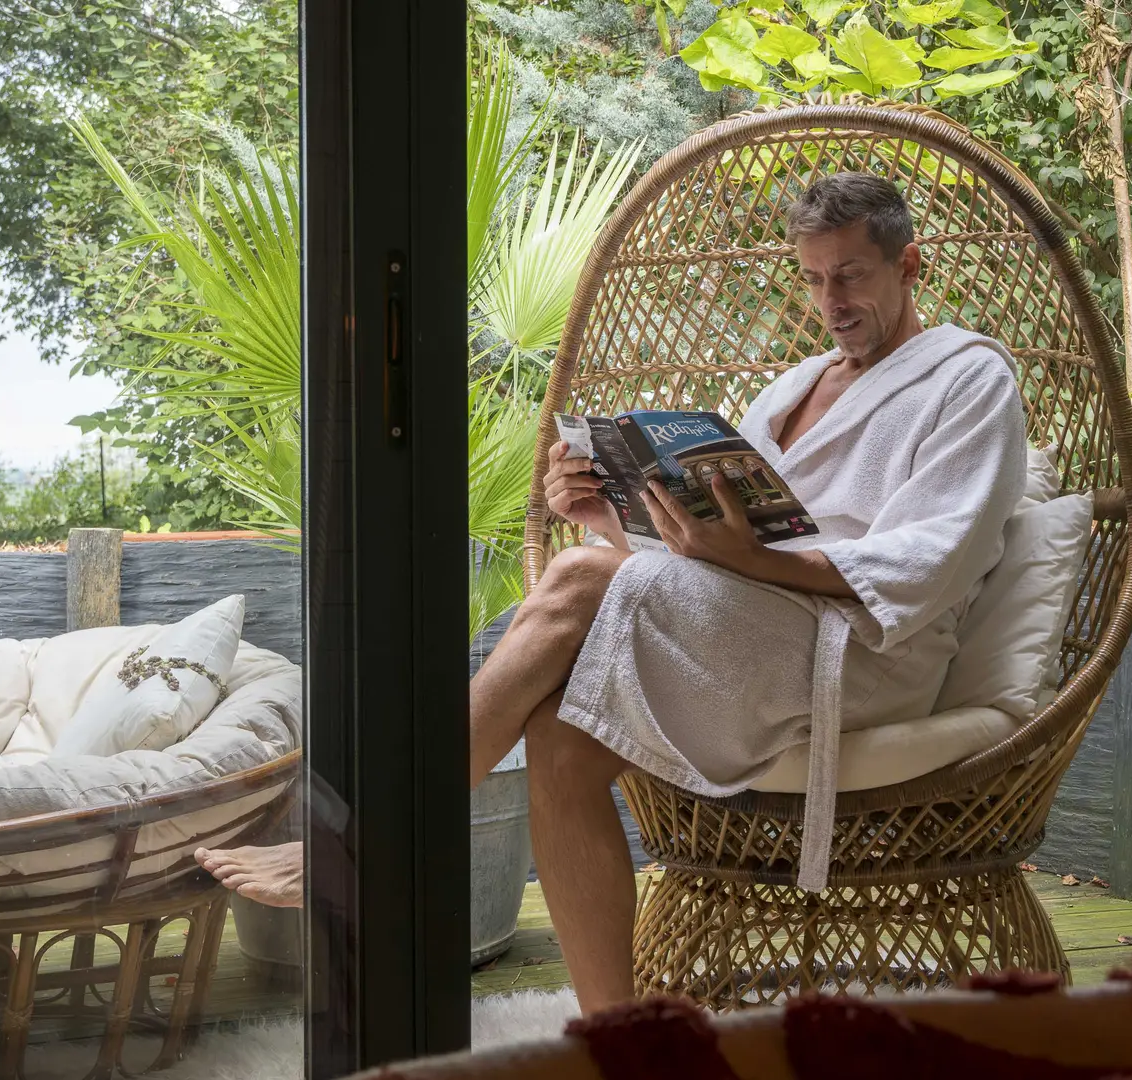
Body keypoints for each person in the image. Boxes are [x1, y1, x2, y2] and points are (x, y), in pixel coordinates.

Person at [196, 171, 1028, 1013]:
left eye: (850, 275)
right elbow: (710, 557)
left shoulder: (970, 380)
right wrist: (605, 511)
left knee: (581, 578)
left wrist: (722, 557)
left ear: (910, 263)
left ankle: (375, 840)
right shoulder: (796, 387)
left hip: (861, 654)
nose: (830, 300)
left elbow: (930, 563)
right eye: (813, 278)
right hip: (760, 629)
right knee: (560, 739)